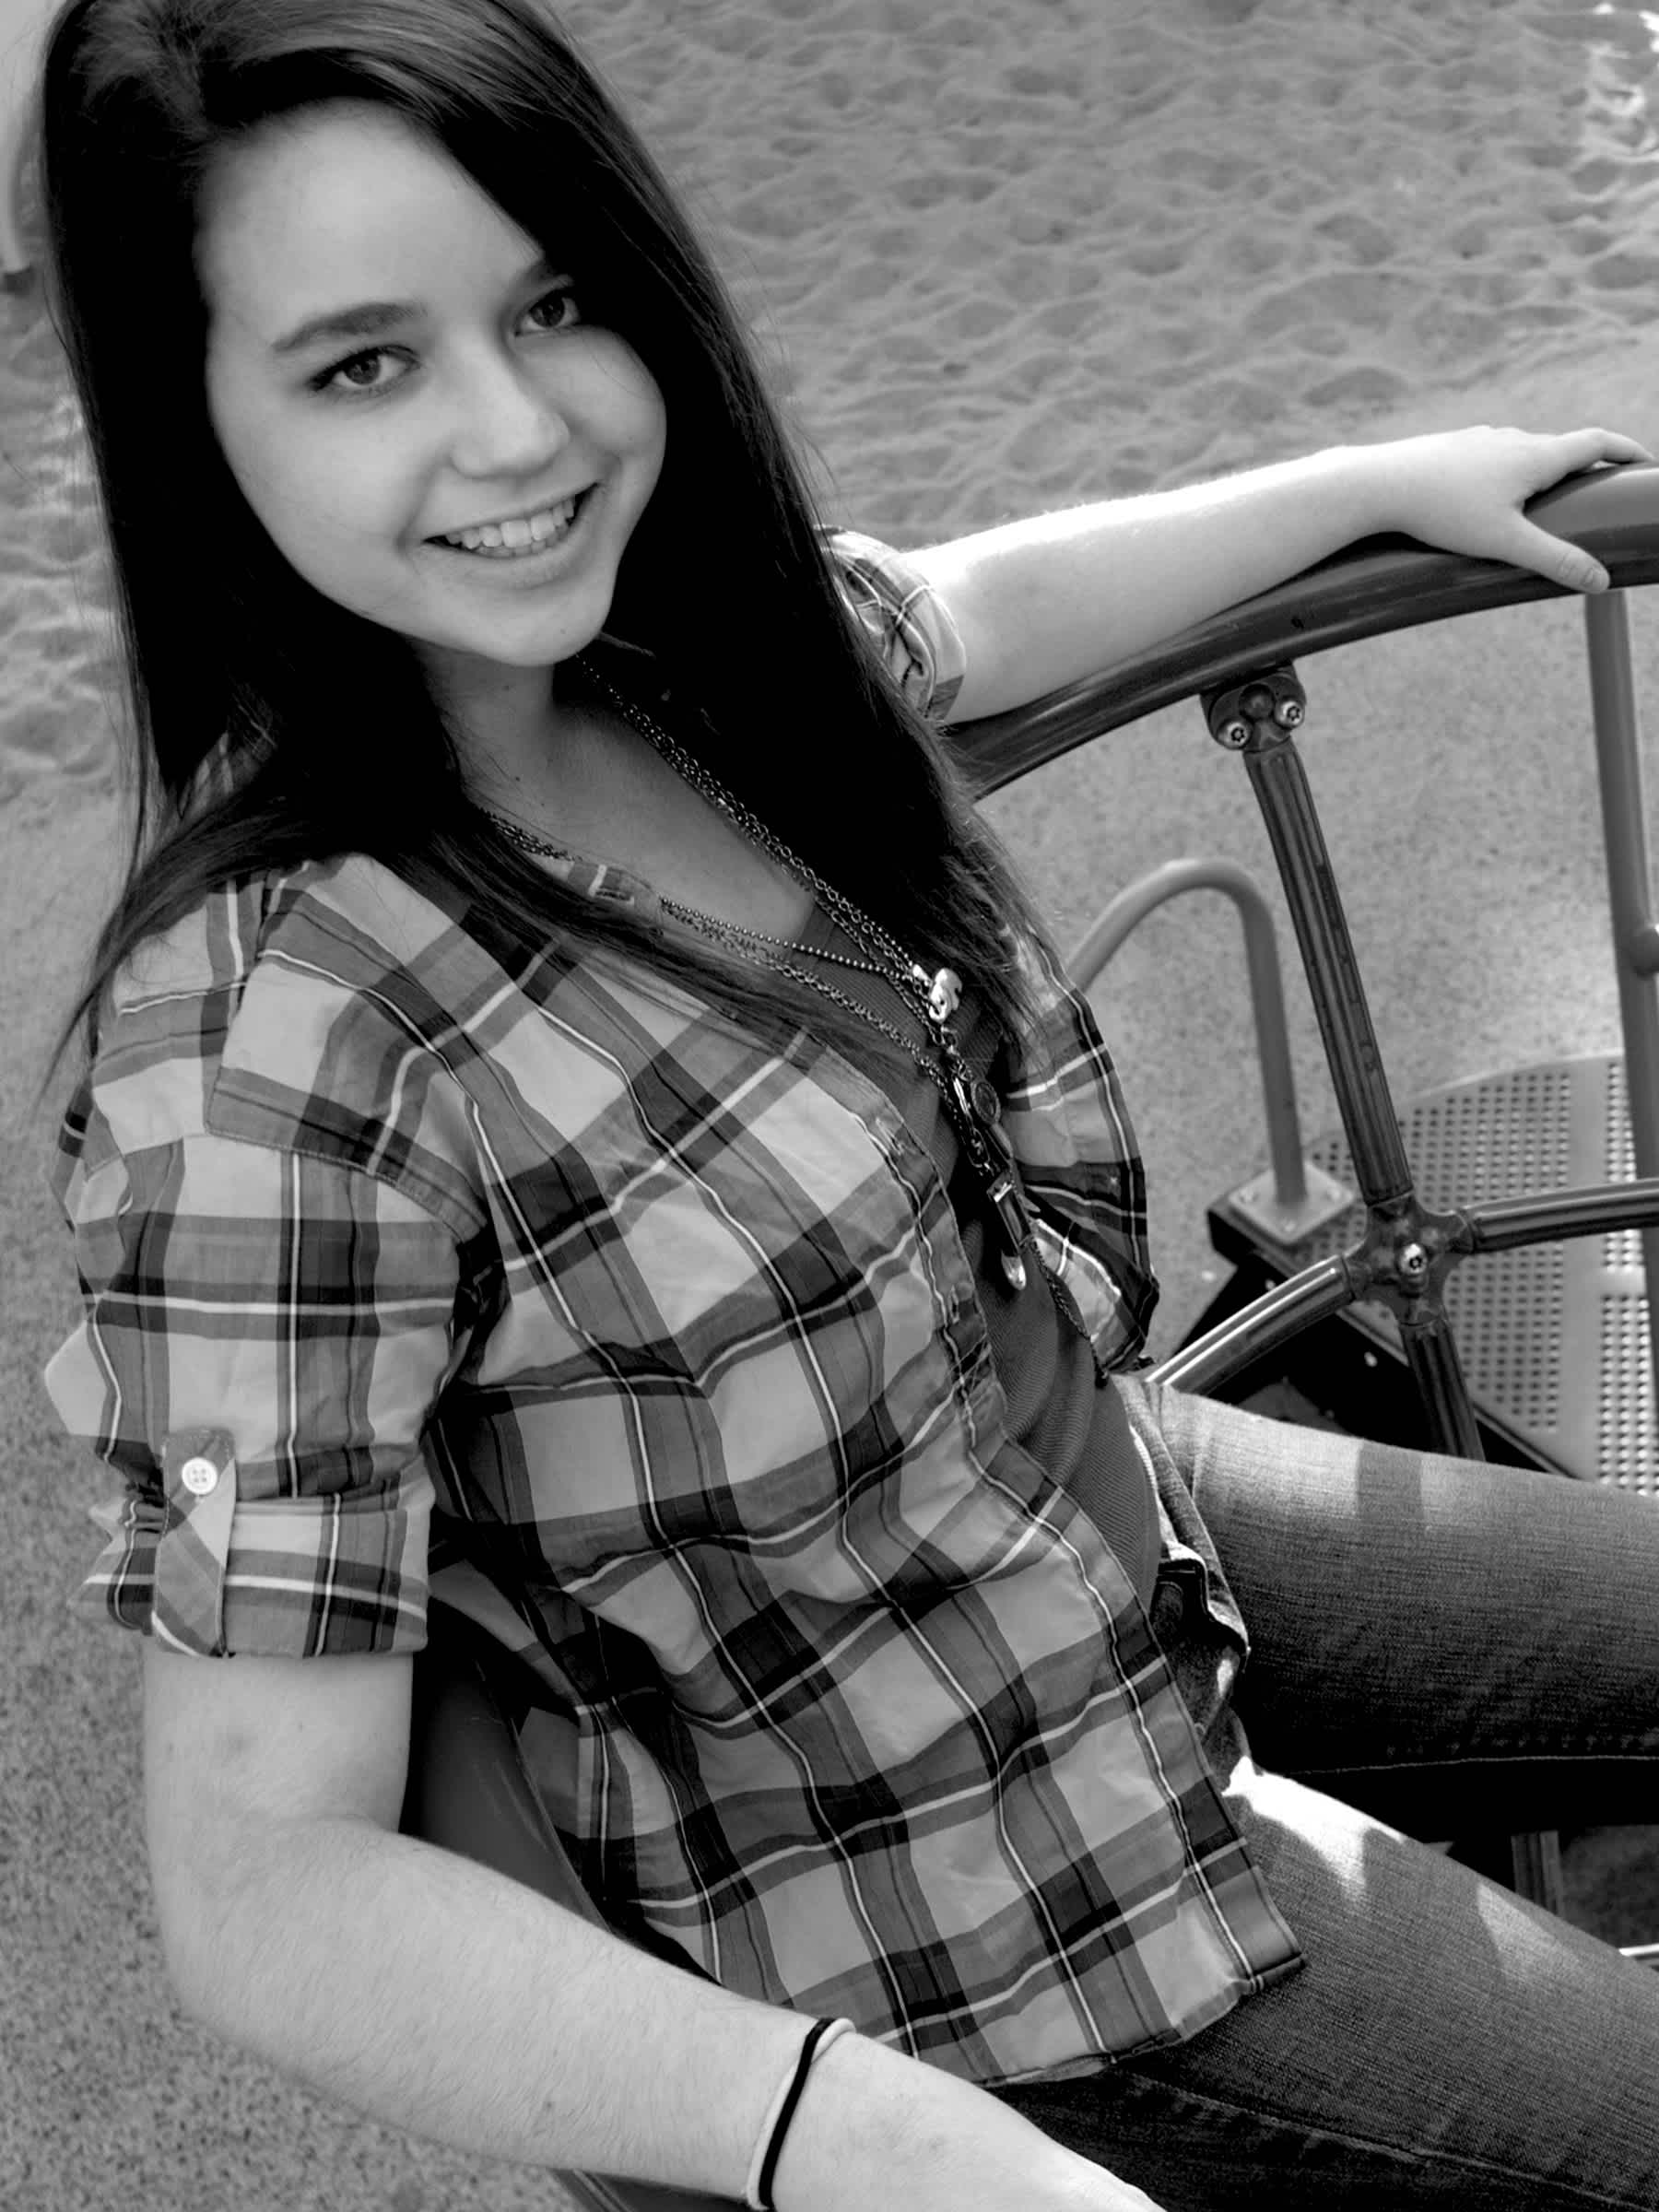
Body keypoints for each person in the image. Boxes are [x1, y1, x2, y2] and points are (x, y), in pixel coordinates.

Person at [29, 0, 1659, 2205]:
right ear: (190, 412)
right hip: (964, 1909)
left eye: (556, 302)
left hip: (1075, 1507)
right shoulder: (271, 1044)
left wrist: (1375, 485)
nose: (518, 434)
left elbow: (973, 612)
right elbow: (262, 1887)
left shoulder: (669, 666)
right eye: (362, 364)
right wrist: (848, 2138)